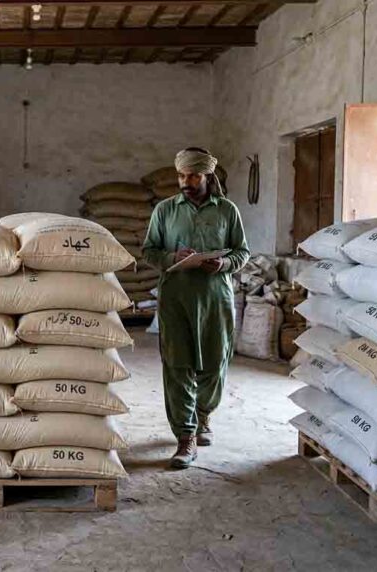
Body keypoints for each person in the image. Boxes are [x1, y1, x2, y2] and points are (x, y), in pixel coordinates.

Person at [142, 147, 250, 469]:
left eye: (192, 175)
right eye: (181, 175)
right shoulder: (165, 210)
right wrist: (173, 258)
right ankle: (185, 436)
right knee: (177, 364)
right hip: (176, 298)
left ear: (207, 176)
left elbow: (242, 253)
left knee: (215, 363)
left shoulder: (227, 211)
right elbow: (149, 251)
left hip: (216, 297)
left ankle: (204, 415)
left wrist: (223, 264)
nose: (185, 181)